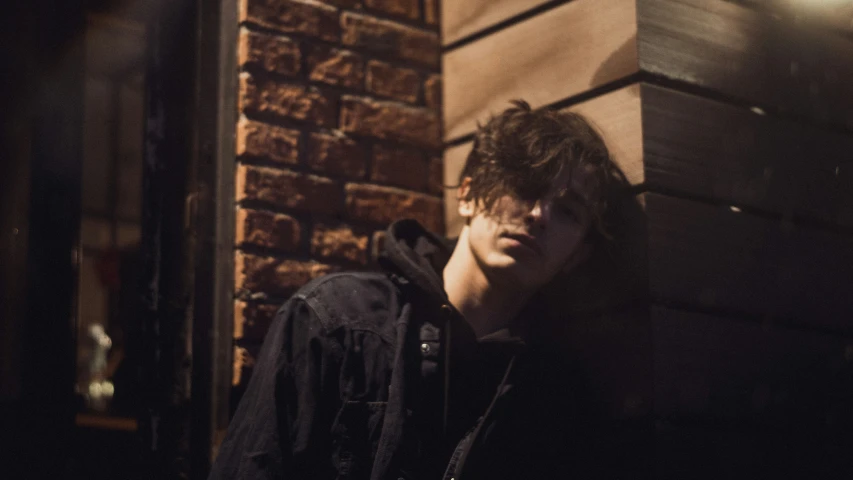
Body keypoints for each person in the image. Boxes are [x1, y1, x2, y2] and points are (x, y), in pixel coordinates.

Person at [208, 100, 624, 479]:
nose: (538, 215)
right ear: (468, 195)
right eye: (526, 188)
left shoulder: (559, 396)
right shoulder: (333, 322)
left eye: (567, 211)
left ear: (578, 254)